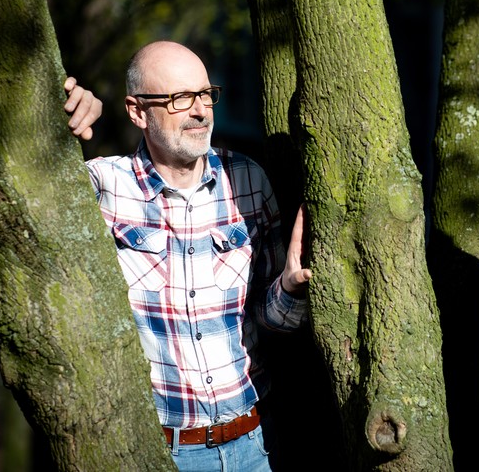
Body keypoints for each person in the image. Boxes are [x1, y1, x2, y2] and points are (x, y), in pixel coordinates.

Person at [63, 41, 311, 472]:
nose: (200, 110)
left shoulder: (248, 179)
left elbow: (271, 320)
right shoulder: (100, 187)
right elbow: (10, 202)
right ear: (137, 111)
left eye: (203, 94)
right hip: (159, 454)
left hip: (258, 443)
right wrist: (56, 114)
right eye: (179, 99)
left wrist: (289, 288)